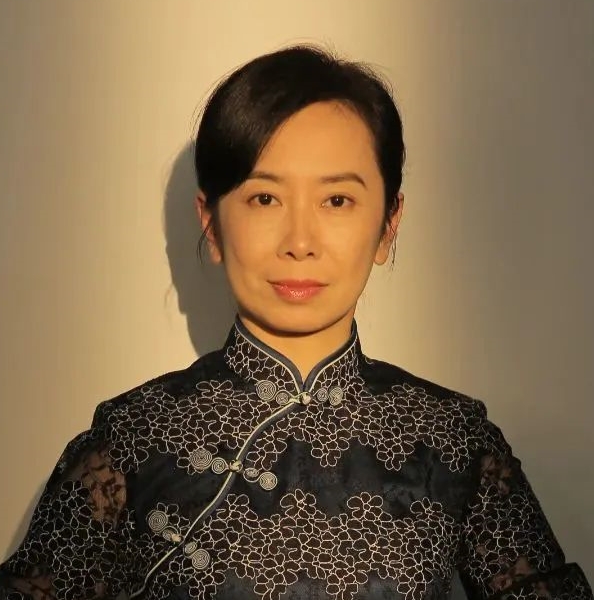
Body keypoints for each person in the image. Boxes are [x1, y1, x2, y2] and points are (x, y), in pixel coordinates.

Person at [0, 44, 591, 600]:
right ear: (211, 223)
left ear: (388, 224)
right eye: (265, 199)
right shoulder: (133, 437)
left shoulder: (455, 440)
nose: (300, 242)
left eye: (337, 200)